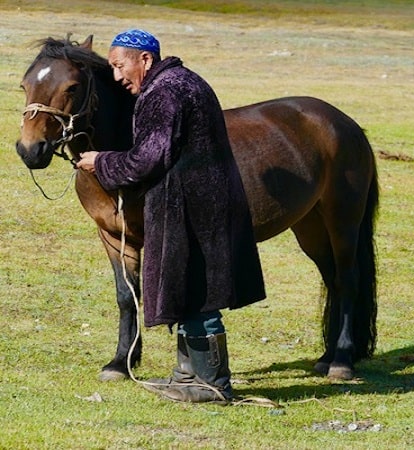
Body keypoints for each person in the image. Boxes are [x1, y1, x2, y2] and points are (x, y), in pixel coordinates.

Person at [76, 29, 266, 404]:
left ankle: (212, 383)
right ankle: (186, 375)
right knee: (188, 287)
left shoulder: (165, 92)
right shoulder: (181, 82)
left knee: (199, 292)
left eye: (119, 66)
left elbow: (149, 158)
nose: (116, 77)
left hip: (193, 206)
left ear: (144, 59)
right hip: (197, 200)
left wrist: (102, 161)